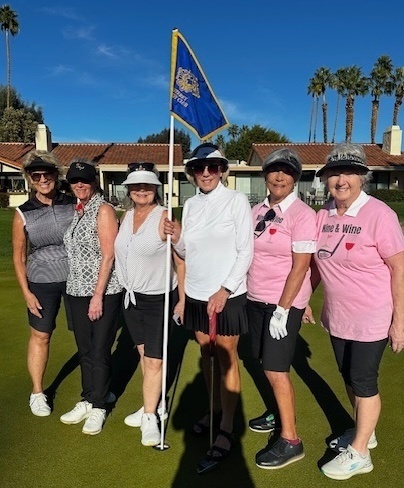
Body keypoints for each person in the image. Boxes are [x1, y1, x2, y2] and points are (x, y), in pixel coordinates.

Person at [306, 142, 404, 480]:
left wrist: (400, 322)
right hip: (338, 316)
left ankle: (360, 453)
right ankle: (365, 432)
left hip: (372, 316)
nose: (341, 180)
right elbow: (316, 264)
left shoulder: (380, 214)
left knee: (363, 381)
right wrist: (305, 298)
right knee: (348, 377)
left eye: (349, 172)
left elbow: (398, 269)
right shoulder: (323, 215)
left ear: (363, 177)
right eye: (334, 173)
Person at [164, 143, 253, 473]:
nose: (205, 173)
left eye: (212, 167)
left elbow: (246, 251)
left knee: (226, 358)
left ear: (222, 170)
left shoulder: (236, 200)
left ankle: (226, 426)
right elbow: (187, 252)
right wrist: (176, 237)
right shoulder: (190, 205)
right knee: (207, 356)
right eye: (199, 167)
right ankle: (213, 409)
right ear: (191, 172)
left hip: (227, 294)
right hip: (198, 294)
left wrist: (225, 289)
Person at [246, 148, 317, 469]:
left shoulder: (302, 214)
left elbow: (301, 266)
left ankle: (291, 440)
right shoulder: (256, 210)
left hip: (281, 305)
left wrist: (283, 309)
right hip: (255, 298)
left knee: (276, 369)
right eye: (274, 170)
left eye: (287, 172)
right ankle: (277, 413)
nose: (279, 177)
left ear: (295, 178)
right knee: (263, 362)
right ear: (265, 175)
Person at [114, 162, 185, 446]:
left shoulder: (164, 216)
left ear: (156, 188)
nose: (141, 190)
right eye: (136, 185)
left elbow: (181, 258)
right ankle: (154, 405)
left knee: (155, 360)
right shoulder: (126, 216)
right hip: (131, 298)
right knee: (145, 355)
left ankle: (149, 417)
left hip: (158, 298)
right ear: (129, 189)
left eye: (147, 185)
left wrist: (182, 300)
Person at [60, 159, 122, 435]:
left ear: (94, 182)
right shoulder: (79, 210)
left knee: (99, 349)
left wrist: (97, 296)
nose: (79, 185)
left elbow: (108, 255)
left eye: (84, 180)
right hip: (75, 290)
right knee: (85, 349)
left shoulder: (103, 210)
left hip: (102, 291)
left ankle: (99, 405)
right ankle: (89, 397)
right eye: (74, 181)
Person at [12, 150, 76, 416]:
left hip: (75, 278)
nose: (42, 179)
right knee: (41, 335)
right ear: (29, 178)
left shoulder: (73, 203)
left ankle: (95, 390)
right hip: (40, 281)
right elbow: (19, 257)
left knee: (86, 334)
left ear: (55, 174)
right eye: (35, 175)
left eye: (47, 173)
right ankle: (37, 393)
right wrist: (26, 293)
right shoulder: (23, 213)